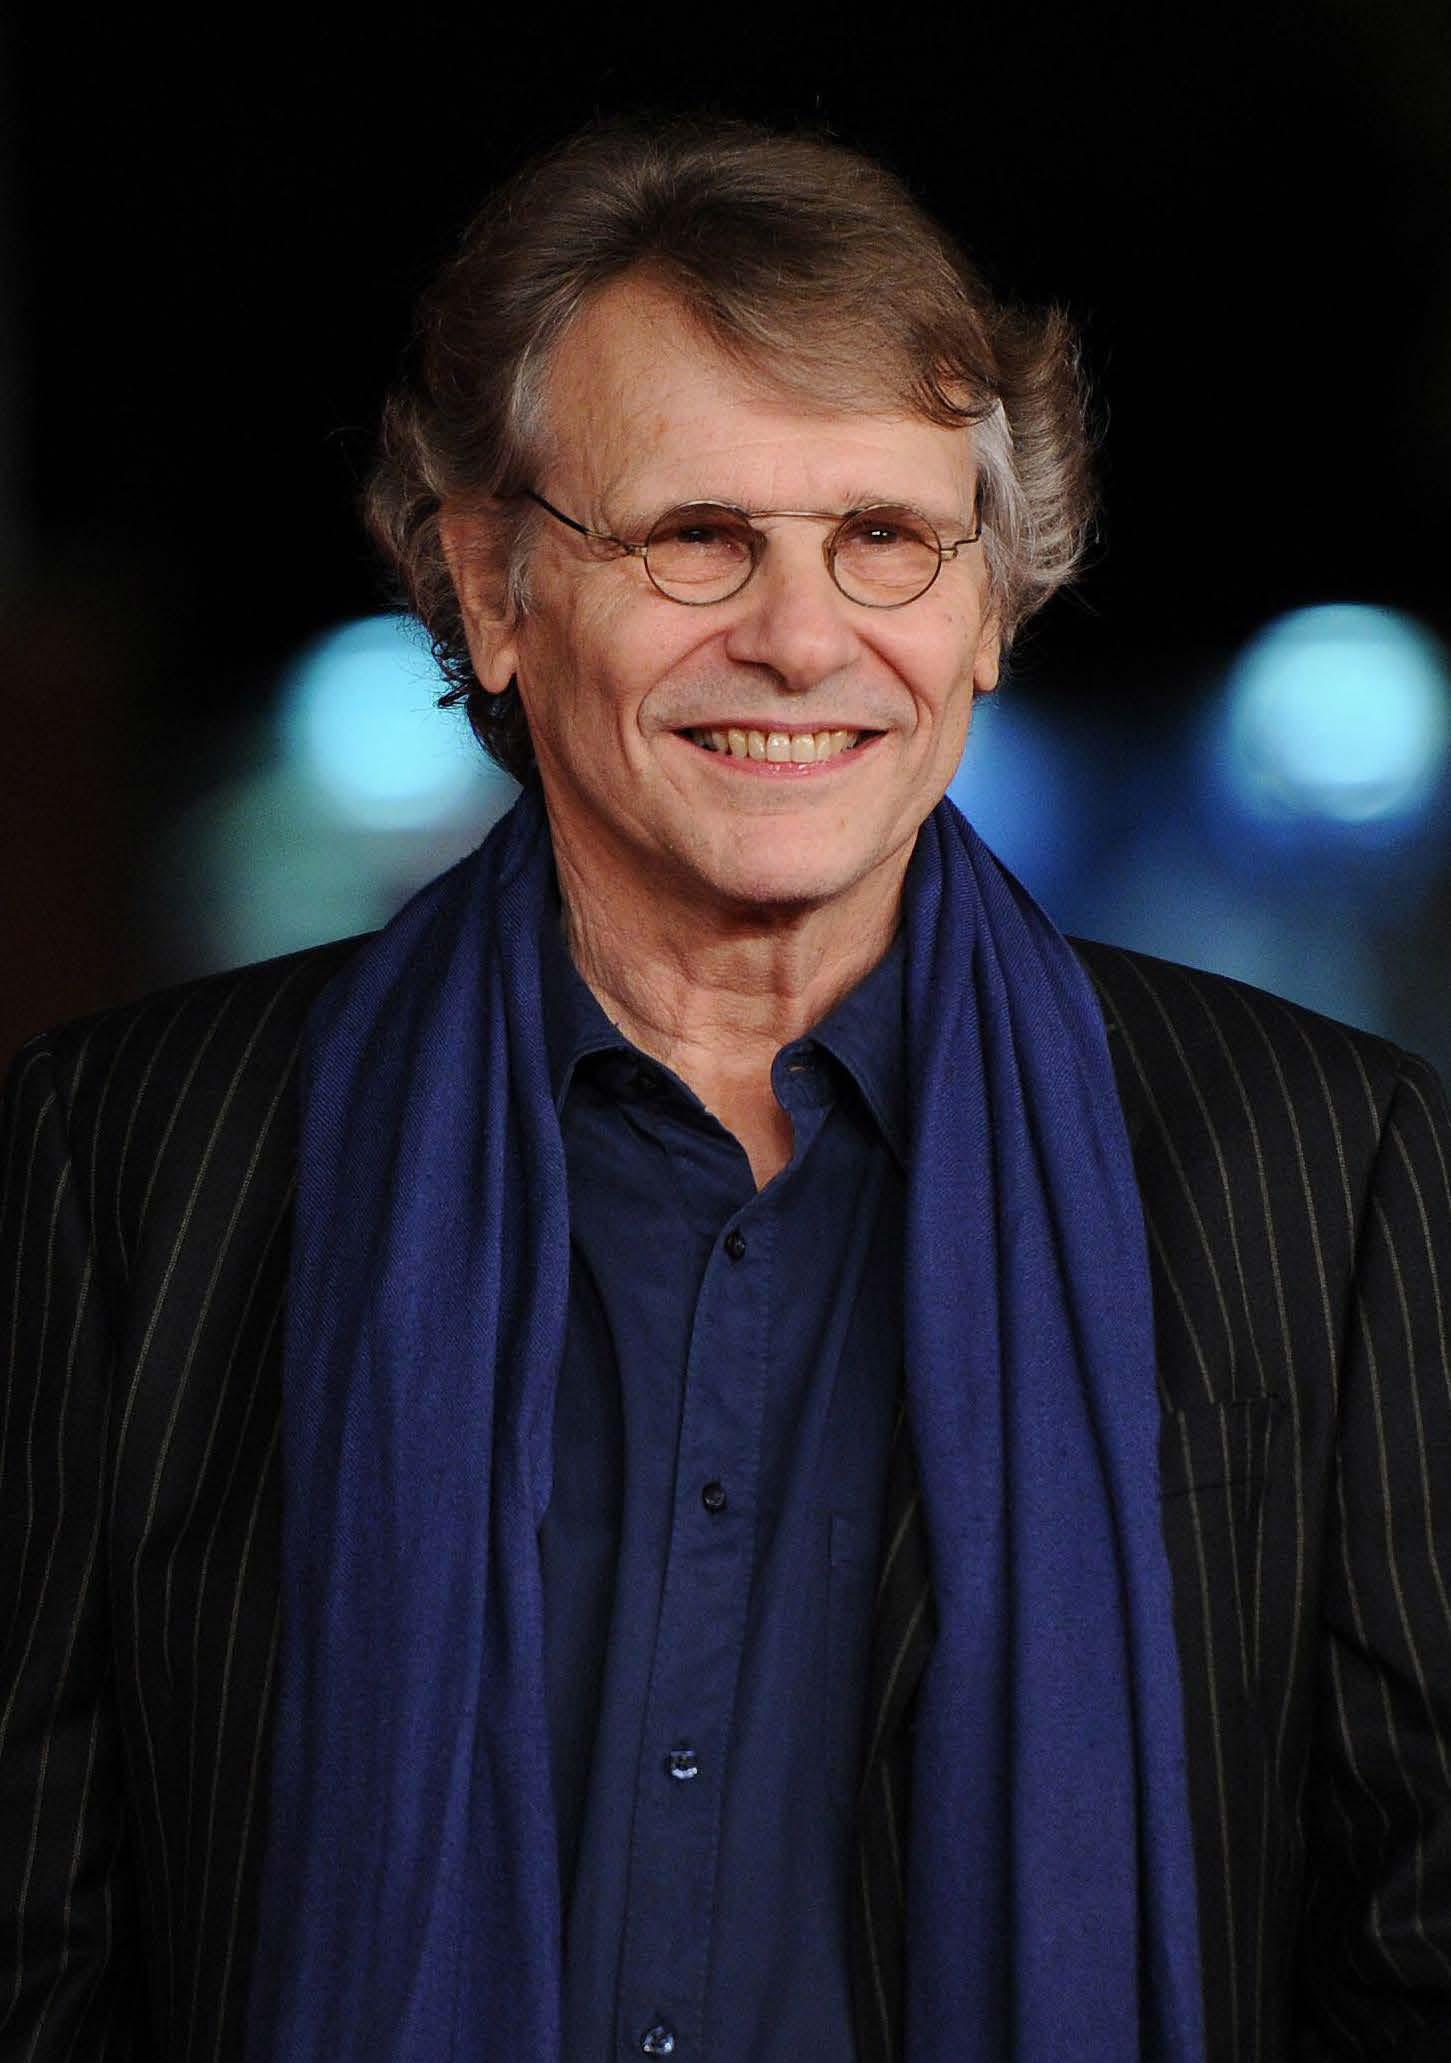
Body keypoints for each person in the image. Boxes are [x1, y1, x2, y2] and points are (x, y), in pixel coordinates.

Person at [3, 116, 1451, 2063]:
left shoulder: (1326, 1167)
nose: (798, 636)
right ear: (491, 586)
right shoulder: (128, 1160)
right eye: (695, 536)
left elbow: (1418, 1946)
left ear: (991, 606)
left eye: (886, 540)